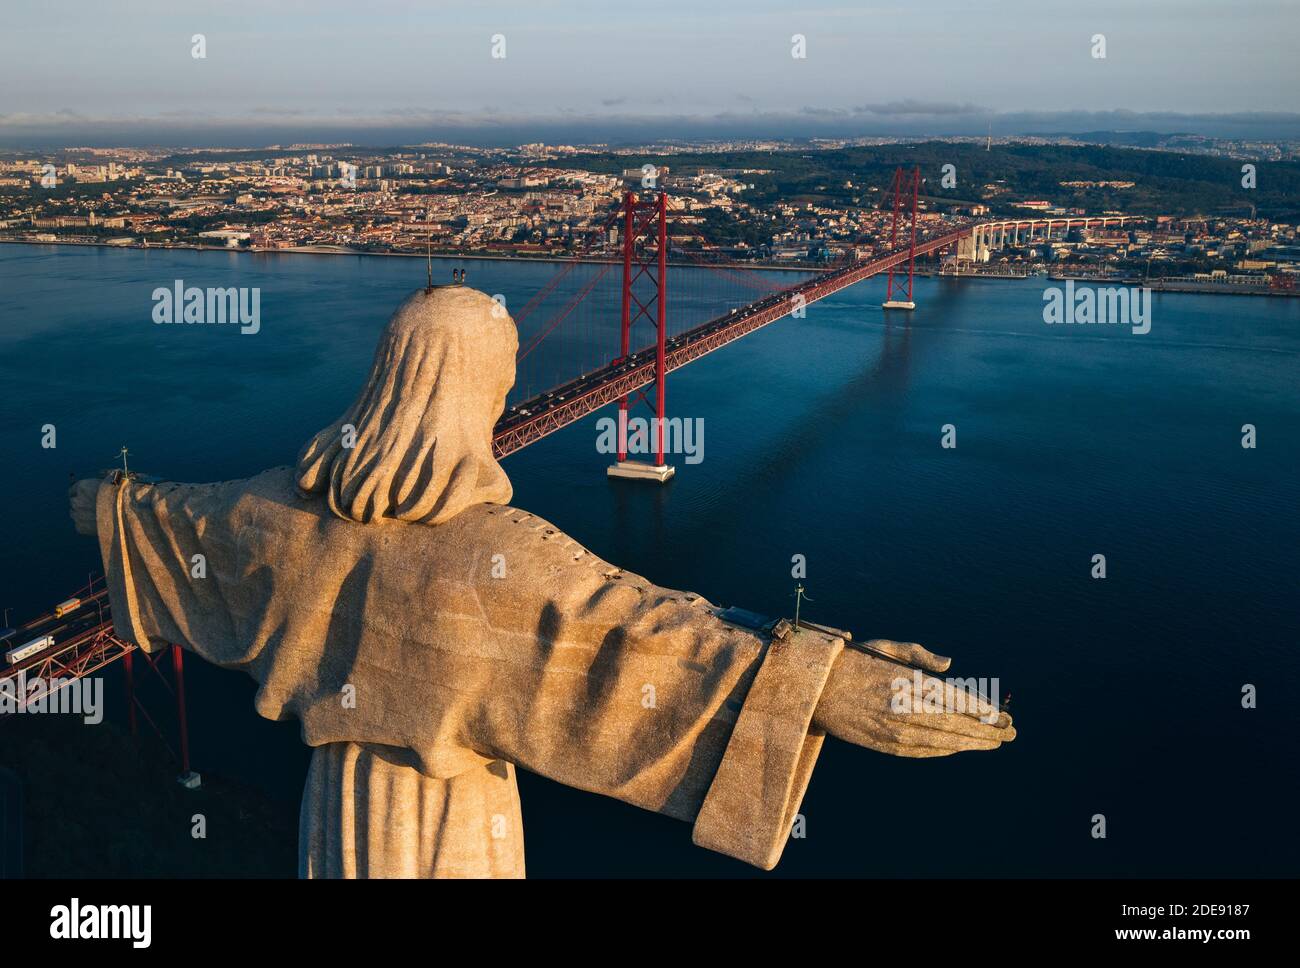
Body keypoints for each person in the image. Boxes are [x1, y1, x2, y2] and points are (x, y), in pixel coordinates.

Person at [69, 284, 1013, 878]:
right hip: (451, 820)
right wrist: (824, 680)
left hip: (338, 802)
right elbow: (644, 638)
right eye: (507, 375)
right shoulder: (503, 556)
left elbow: (168, 517)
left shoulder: (274, 509)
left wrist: (105, 502)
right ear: (479, 389)